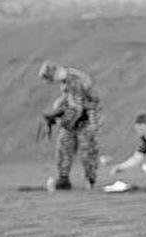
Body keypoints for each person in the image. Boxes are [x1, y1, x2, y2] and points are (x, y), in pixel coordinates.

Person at [38, 60, 103, 190]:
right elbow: (67, 98)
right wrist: (58, 108)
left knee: (88, 151)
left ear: (54, 73)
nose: (50, 82)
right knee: (64, 146)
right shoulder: (66, 80)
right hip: (74, 119)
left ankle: (90, 181)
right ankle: (63, 178)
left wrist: (58, 116)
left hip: (87, 119)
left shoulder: (76, 80)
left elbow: (77, 108)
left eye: (49, 78)